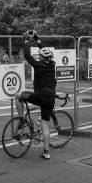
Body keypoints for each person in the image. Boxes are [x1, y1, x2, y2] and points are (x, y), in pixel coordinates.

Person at [15, 30, 57, 160]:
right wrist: (37, 38)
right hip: (50, 98)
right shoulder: (52, 64)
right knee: (45, 125)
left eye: (40, 55)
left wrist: (27, 40)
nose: (38, 56)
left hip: (40, 96)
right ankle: (46, 152)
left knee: (17, 95)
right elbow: (44, 50)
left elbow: (27, 55)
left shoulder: (38, 65)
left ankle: (21, 118)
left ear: (42, 57)